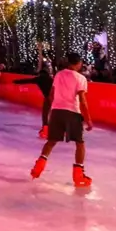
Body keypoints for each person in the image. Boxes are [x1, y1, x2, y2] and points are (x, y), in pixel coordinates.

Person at [30, 52, 93, 187]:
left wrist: (56, 107)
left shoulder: (59, 75)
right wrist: (88, 119)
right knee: (80, 143)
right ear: (78, 63)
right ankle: (78, 175)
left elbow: (51, 95)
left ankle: (38, 167)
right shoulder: (80, 78)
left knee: (51, 141)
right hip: (72, 113)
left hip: (57, 112)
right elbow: (82, 100)